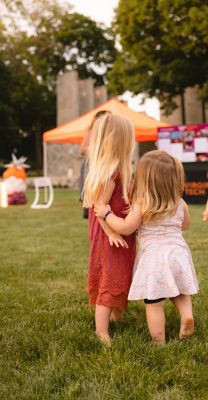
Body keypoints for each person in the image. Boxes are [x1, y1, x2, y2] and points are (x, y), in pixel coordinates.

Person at [94, 150, 199, 345]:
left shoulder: (142, 204)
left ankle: (159, 342)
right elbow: (185, 225)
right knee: (182, 291)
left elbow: (125, 228)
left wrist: (107, 214)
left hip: (154, 259)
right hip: (178, 253)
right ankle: (186, 315)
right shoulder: (179, 202)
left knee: (154, 303)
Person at [83, 113, 136, 347]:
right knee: (110, 274)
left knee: (119, 270)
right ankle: (101, 330)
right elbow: (99, 207)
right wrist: (112, 233)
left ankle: (116, 315)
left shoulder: (119, 169)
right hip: (109, 232)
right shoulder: (112, 172)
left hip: (118, 229)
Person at [80, 110, 110, 219]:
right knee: (92, 192)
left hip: (103, 164)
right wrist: (97, 149)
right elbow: (82, 149)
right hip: (91, 164)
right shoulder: (90, 131)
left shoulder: (109, 133)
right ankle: (90, 213)